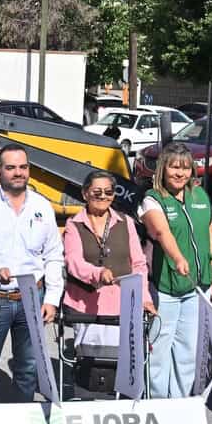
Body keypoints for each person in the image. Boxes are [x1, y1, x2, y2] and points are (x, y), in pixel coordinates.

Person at [0, 143, 64, 403]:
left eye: (23, 167)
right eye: (11, 167)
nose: (18, 172)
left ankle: (22, 418)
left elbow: (53, 254)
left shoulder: (42, 206)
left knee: (28, 367)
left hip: (32, 298)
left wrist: (52, 299)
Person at [61, 169, 151, 397]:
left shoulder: (126, 222)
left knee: (121, 365)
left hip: (122, 305)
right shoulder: (74, 225)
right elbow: (73, 261)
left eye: (108, 192)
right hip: (86, 307)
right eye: (97, 192)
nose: (103, 196)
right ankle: (87, 402)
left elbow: (139, 264)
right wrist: (97, 273)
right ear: (85, 194)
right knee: (90, 366)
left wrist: (145, 298)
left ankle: (121, 405)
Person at [141, 143, 212, 398]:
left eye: (185, 168)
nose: (180, 173)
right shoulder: (152, 199)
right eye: (174, 167)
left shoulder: (200, 196)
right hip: (166, 288)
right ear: (163, 169)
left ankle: (179, 404)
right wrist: (177, 258)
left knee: (187, 352)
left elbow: (209, 232)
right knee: (158, 352)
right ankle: (157, 404)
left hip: (197, 287)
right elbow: (161, 232)